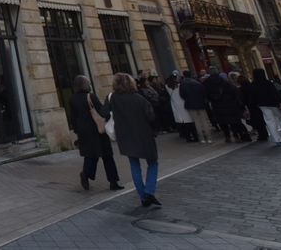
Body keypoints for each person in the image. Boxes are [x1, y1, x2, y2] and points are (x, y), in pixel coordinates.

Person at [109, 72, 160, 207]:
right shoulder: (138, 98)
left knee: (134, 165)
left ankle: (143, 196)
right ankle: (149, 190)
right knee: (153, 162)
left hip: (125, 136)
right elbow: (151, 116)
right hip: (143, 135)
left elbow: (105, 112)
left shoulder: (114, 98)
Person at [70, 75, 123, 192]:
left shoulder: (72, 98)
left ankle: (86, 174)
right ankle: (113, 182)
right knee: (107, 156)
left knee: (91, 155)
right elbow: (102, 111)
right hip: (97, 130)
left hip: (84, 132)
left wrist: (77, 130)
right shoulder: (91, 96)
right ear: (85, 84)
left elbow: (72, 117)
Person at [251, 68, 281, 147]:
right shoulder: (268, 83)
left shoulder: (253, 84)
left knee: (270, 122)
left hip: (262, 105)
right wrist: (279, 103)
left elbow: (253, 97)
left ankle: (277, 140)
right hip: (273, 104)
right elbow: (274, 93)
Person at [204, 67, 249, 142]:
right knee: (232, 121)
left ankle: (227, 136)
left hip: (217, 105)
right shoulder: (224, 81)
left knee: (222, 122)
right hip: (229, 104)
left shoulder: (207, 83)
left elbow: (206, 95)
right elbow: (234, 92)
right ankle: (236, 136)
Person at [178, 70, 211, 143]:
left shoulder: (182, 84)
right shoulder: (197, 83)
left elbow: (182, 95)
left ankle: (201, 138)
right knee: (204, 121)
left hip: (190, 104)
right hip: (200, 103)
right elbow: (204, 92)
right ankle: (209, 138)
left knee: (197, 122)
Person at [166, 72, 193, 141]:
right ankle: (189, 135)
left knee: (181, 120)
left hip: (175, 105)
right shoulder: (180, 85)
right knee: (187, 120)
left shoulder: (168, 86)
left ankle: (184, 134)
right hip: (182, 103)